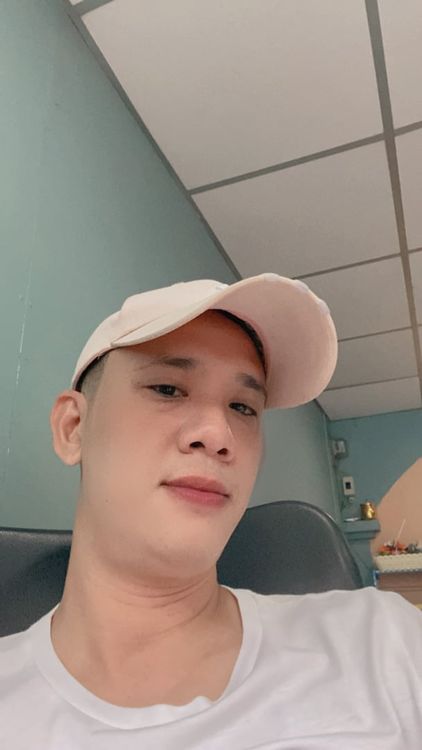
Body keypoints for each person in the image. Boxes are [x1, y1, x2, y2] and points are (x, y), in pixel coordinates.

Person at [0, 273, 421, 749]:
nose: (219, 435)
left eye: (243, 407)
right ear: (73, 427)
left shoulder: (382, 644)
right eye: (167, 389)